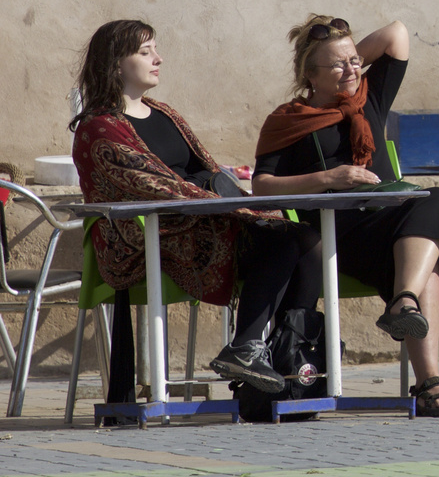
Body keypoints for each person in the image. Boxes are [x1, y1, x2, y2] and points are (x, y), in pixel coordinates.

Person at [69, 20, 319, 397]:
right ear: (116, 63)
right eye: (145, 51)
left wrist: (233, 201)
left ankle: (286, 358)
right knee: (283, 242)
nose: (159, 59)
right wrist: (228, 206)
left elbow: (210, 171)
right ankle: (251, 349)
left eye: (155, 49)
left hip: (206, 220)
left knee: (305, 240)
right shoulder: (99, 128)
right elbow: (152, 184)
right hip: (149, 238)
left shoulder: (165, 113)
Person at [250, 16, 439, 416]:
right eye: (336, 65)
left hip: (389, 225)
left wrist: (344, 55)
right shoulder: (288, 119)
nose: (351, 69)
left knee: (432, 200)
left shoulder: (368, 96)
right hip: (335, 236)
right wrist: (330, 177)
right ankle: (425, 368)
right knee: (425, 261)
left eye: (354, 61)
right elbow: (261, 186)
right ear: (308, 74)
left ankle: (406, 312)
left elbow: (397, 33)